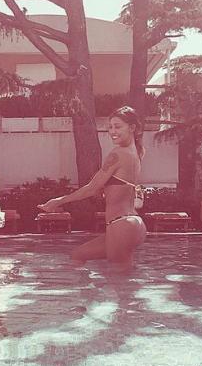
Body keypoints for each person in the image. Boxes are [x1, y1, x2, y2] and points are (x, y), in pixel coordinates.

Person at [38, 106, 146, 269]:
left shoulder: (118, 154)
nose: (112, 131)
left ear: (132, 127)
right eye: (110, 127)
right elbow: (124, 189)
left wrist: (58, 201)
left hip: (122, 225)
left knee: (119, 280)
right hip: (132, 224)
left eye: (118, 126)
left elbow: (91, 188)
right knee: (79, 255)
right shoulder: (136, 153)